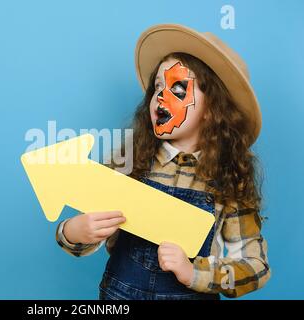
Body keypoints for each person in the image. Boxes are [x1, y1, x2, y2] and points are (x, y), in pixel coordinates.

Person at [55, 24, 271, 300]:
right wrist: (74, 232)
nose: (160, 97)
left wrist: (194, 273)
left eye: (178, 88)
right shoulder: (129, 163)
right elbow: (85, 233)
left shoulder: (228, 179)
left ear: (213, 110)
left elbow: (256, 266)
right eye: (158, 86)